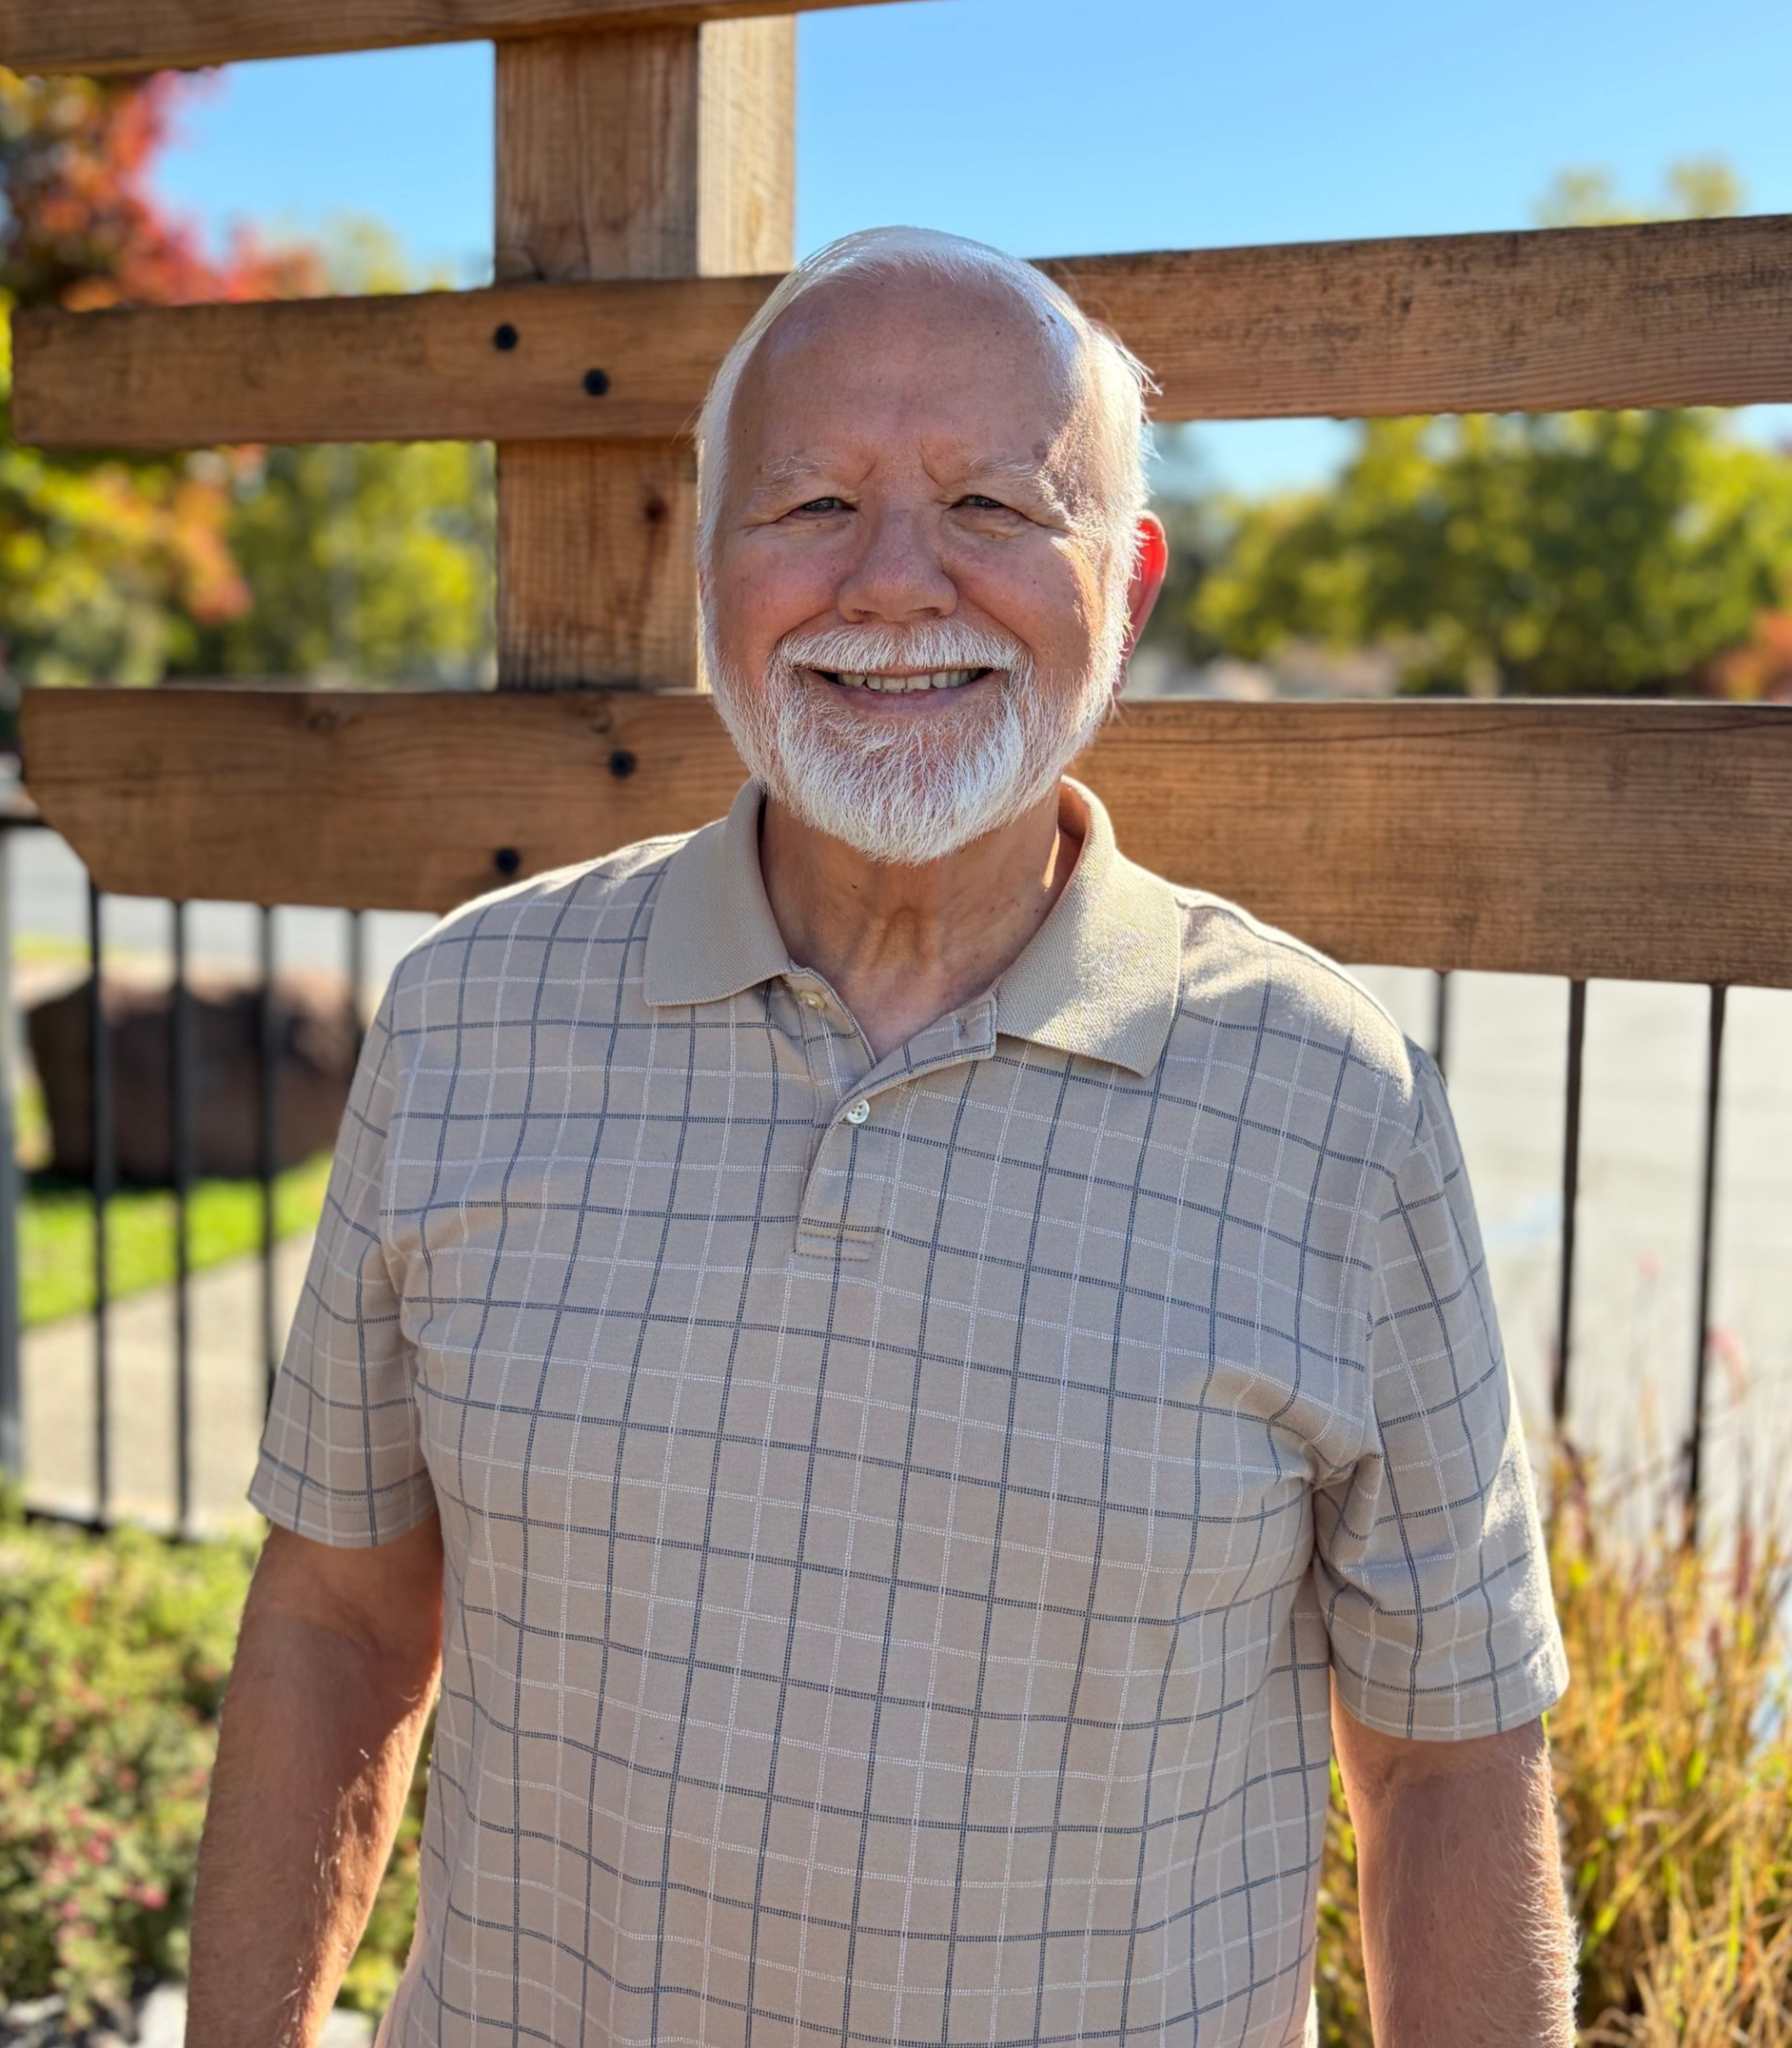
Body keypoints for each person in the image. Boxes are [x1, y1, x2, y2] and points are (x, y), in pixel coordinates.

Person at [188, 226, 1575, 2048]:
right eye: (812, 504)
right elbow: (336, 1623)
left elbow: (1448, 1759)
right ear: (706, 571)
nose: (896, 581)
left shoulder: (1333, 1107)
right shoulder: (468, 1019)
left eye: (993, 504)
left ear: (1127, 584)